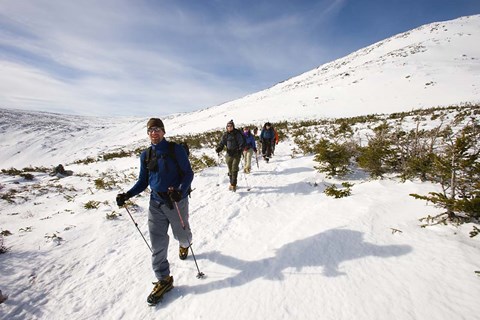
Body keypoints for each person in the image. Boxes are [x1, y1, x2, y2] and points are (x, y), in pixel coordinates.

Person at [116, 118, 194, 305]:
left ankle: (184, 244)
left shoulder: (176, 150)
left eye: (157, 129)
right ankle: (164, 279)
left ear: (164, 132)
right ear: (148, 133)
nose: (154, 133)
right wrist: (127, 194)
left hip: (176, 202)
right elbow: (143, 181)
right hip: (155, 203)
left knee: (182, 236)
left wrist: (180, 191)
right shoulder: (146, 155)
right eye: (151, 130)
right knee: (157, 244)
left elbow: (188, 173)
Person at [215, 120, 245, 191]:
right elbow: (222, 143)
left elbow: (241, 143)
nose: (229, 127)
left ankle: (233, 184)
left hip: (236, 154)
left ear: (233, 126)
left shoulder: (237, 134)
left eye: (231, 126)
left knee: (234, 168)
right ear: (226, 127)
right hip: (228, 154)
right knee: (230, 168)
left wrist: (240, 150)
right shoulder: (225, 135)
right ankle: (231, 182)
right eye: (228, 126)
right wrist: (219, 148)